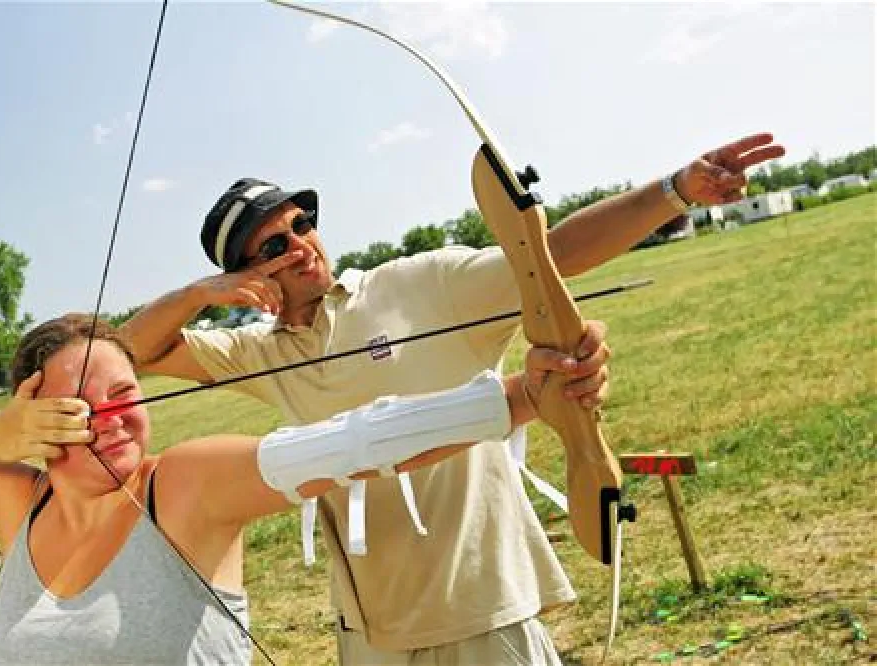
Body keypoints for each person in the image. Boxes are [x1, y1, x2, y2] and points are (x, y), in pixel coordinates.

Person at [121, 132, 784, 664]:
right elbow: (132, 351)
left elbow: (548, 256)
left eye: (304, 224)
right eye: (273, 244)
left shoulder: (420, 283)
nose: (300, 245)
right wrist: (196, 296)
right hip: (372, 625)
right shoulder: (261, 352)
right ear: (244, 272)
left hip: (483, 601)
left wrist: (675, 192)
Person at [0, 312, 608, 665]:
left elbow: (346, 445)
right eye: (78, 403)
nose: (113, 417)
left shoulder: (185, 486)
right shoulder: (17, 502)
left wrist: (518, 396)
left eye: (125, 391)